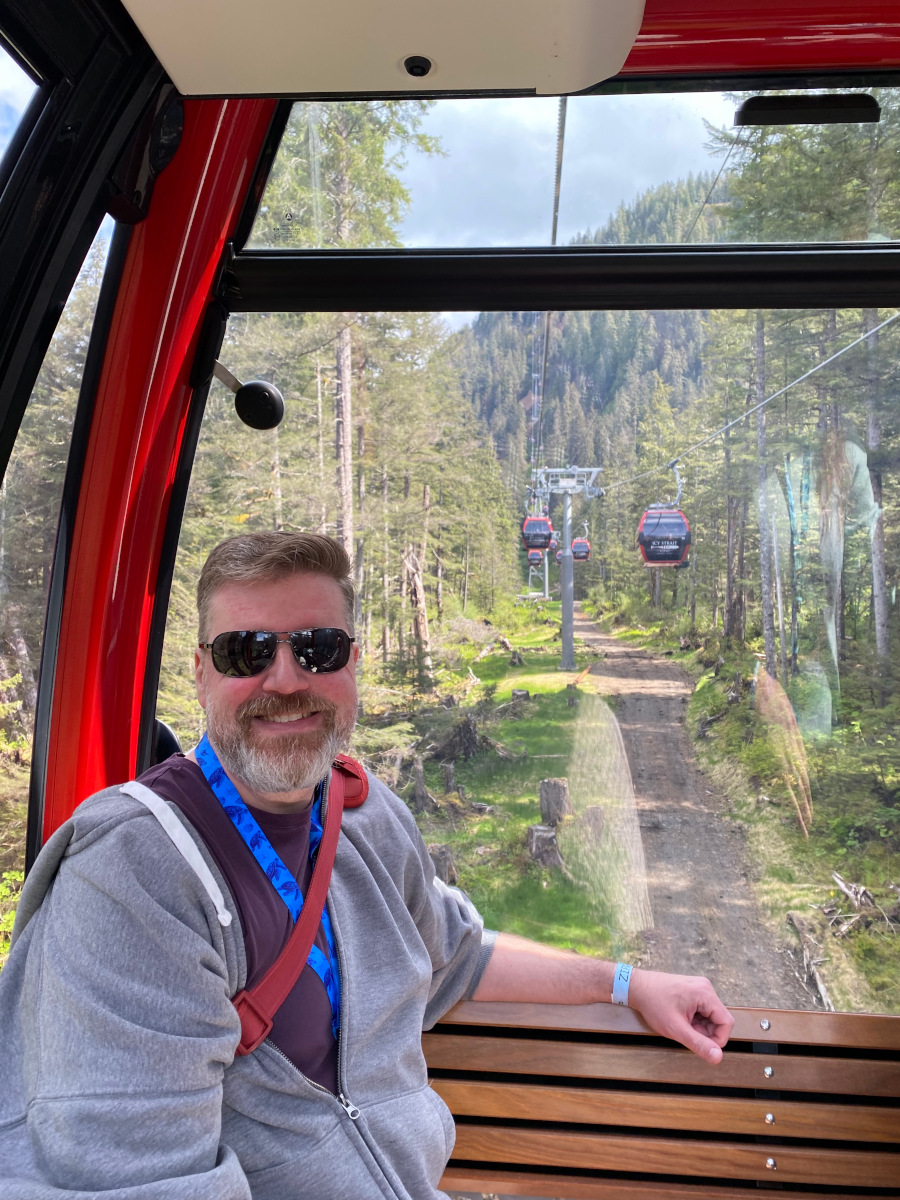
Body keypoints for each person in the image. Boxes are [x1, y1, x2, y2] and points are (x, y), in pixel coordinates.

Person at [0, 531, 733, 1199]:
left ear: (353, 660)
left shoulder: (365, 817)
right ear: (199, 675)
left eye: (317, 648)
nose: (285, 680)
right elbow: (147, 1182)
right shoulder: (133, 877)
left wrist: (628, 982)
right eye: (246, 652)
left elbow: (455, 956)